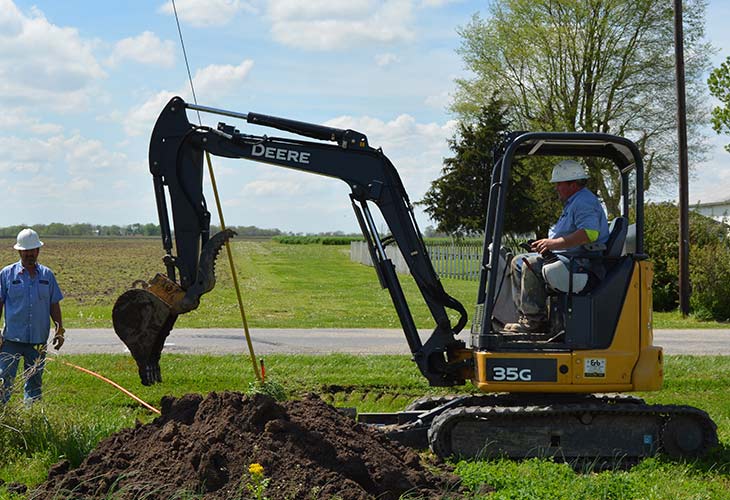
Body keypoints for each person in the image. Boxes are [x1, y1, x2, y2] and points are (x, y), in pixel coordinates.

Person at [504, 160, 609, 333]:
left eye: (559, 184)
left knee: (532, 265)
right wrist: (545, 244)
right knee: (519, 262)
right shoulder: (574, 202)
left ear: (573, 184)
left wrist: (552, 243)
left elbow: (590, 233)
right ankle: (527, 316)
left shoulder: (583, 202)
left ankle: (533, 321)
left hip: (582, 263)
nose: (556, 188)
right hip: (569, 258)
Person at [0, 228, 64, 404]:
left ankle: (32, 418)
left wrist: (59, 330)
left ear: (38, 251)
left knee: (34, 383)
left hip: (37, 341)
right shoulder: (6, 274)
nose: (30, 254)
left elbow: (54, 304)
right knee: (3, 380)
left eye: (33, 250)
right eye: (26, 251)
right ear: (19, 251)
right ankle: (2, 419)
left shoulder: (47, 275)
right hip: (11, 340)